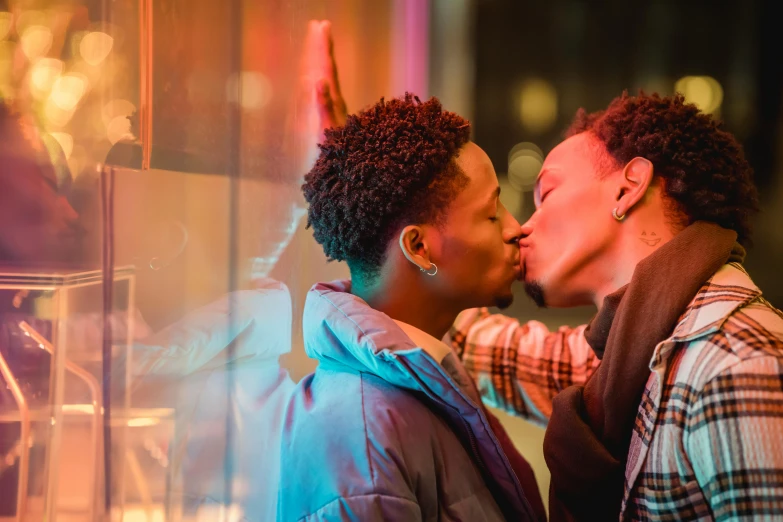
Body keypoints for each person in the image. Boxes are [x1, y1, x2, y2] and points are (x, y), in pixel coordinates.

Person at [449, 93, 783, 521]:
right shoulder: (633, 354)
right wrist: (391, 212)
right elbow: (492, 350)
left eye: (546, 194)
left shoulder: (735, 362)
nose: (523, 227)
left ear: (628, 188)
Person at [277, 90, 546, 519]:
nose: (516, 229)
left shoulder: (419, 376)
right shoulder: (359, 436)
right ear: (419, 248)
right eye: (492, 213)